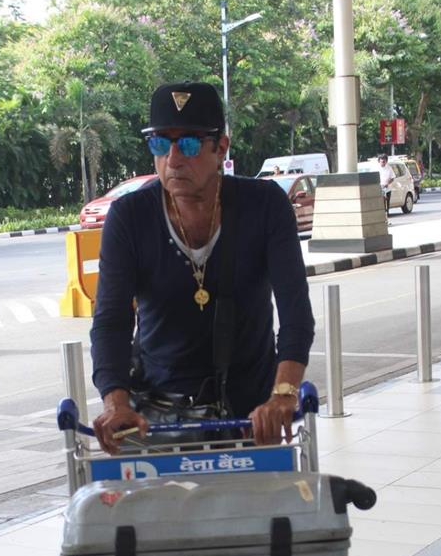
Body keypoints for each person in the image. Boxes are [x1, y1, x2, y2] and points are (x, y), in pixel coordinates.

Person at [90, 80, 315, 454]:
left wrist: (283, 396)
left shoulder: (264, 207)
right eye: (160, 143)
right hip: (159, 418)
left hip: (251, 418)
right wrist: (115, 403)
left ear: (220, 147)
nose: (174, 159)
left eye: (190, 144)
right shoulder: (130, 217)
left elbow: (296, 316)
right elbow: (111, 321)